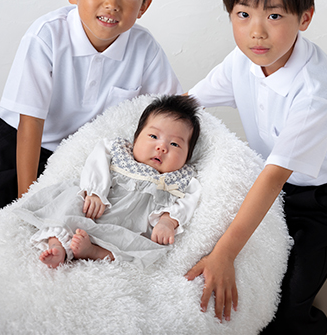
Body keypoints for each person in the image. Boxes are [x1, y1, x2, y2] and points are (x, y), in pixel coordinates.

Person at [185, 0, 327, 334]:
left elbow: (273, 178)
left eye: (274, 15)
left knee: (286, 300)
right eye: (243, 15)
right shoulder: (242, 60)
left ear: (304, 17)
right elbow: (187, 104)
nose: (257, 31)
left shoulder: (316, 92)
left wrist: (225, 253)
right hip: (276, 183)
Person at [0, 0, 182, 231]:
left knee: (78, 237)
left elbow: (172, 110)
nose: (112, 3)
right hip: (24, 144)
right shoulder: (46, 35)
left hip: (87, 158)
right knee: (4, 228)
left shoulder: (145, 47)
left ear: (144, 6)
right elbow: (30, 122)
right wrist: (28, 200)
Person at [13, 95, 202, 269]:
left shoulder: (182, 179)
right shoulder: (119, 151)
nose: (161, 147)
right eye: (153, 136)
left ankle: (94, 252)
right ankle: (57, 246)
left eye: (175, 144)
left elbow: (188, 201)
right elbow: (97, 165)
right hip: (96, 208)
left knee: (141, 249)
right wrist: (95, 192)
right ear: (136, 138)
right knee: (69, 202)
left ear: (187, 156)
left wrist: (168, 222)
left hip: (128, 226)